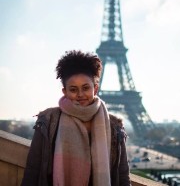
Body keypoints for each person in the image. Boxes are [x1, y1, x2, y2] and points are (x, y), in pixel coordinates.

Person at [21, 50, 131, 186]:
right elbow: (33, 169)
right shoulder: (48, 120)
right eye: (73, 89)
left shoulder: (114, 125)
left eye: (85, 88)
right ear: (65, 91)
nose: (80, 94)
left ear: (95, 89)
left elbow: (122, 175)